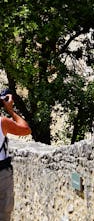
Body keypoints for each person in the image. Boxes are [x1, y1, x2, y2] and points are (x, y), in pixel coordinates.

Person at [0, 88, 30, 221]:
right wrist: (10, 110)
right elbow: (25, 129)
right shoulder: (2, 122)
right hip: (1, 173)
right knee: (3, 213)